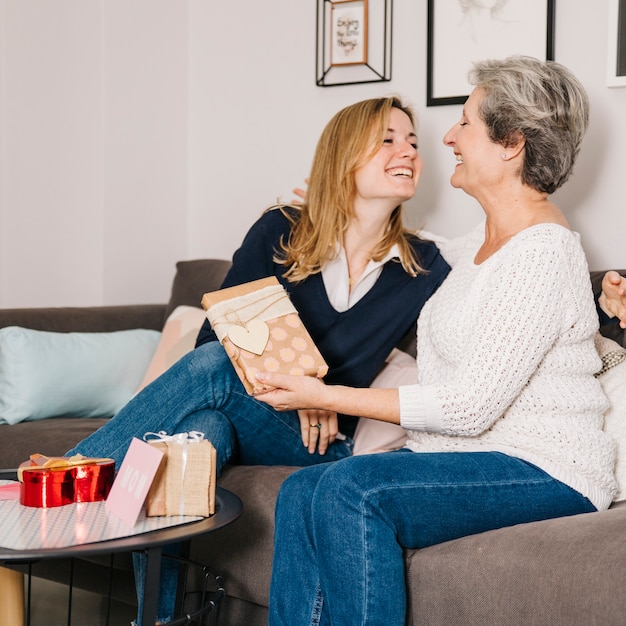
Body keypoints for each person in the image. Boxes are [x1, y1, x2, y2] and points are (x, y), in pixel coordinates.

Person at [255, 56, 620, 626]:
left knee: (353, 489)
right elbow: (414, 245)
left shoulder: (544, 252)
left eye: (466, 122)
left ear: (511, 145)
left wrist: (323, 395)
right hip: (477, 458)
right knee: (302, 490)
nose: (447, 136)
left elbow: (469, 407)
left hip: (548, 467)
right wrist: (336, 204)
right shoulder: (478, 244)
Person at [66, 96, 450, 624]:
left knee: (215, 371)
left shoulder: (424, 263)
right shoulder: (282, 228)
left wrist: (608, 305)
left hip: (322, 445)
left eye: (412, 141)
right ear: (344, 156)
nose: (406, 150)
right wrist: (301, 384)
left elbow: (503, 268)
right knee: (196, 432)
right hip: (251, 412)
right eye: (387, 139)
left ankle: (66, 481)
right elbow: (215, 335)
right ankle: (158, 618)